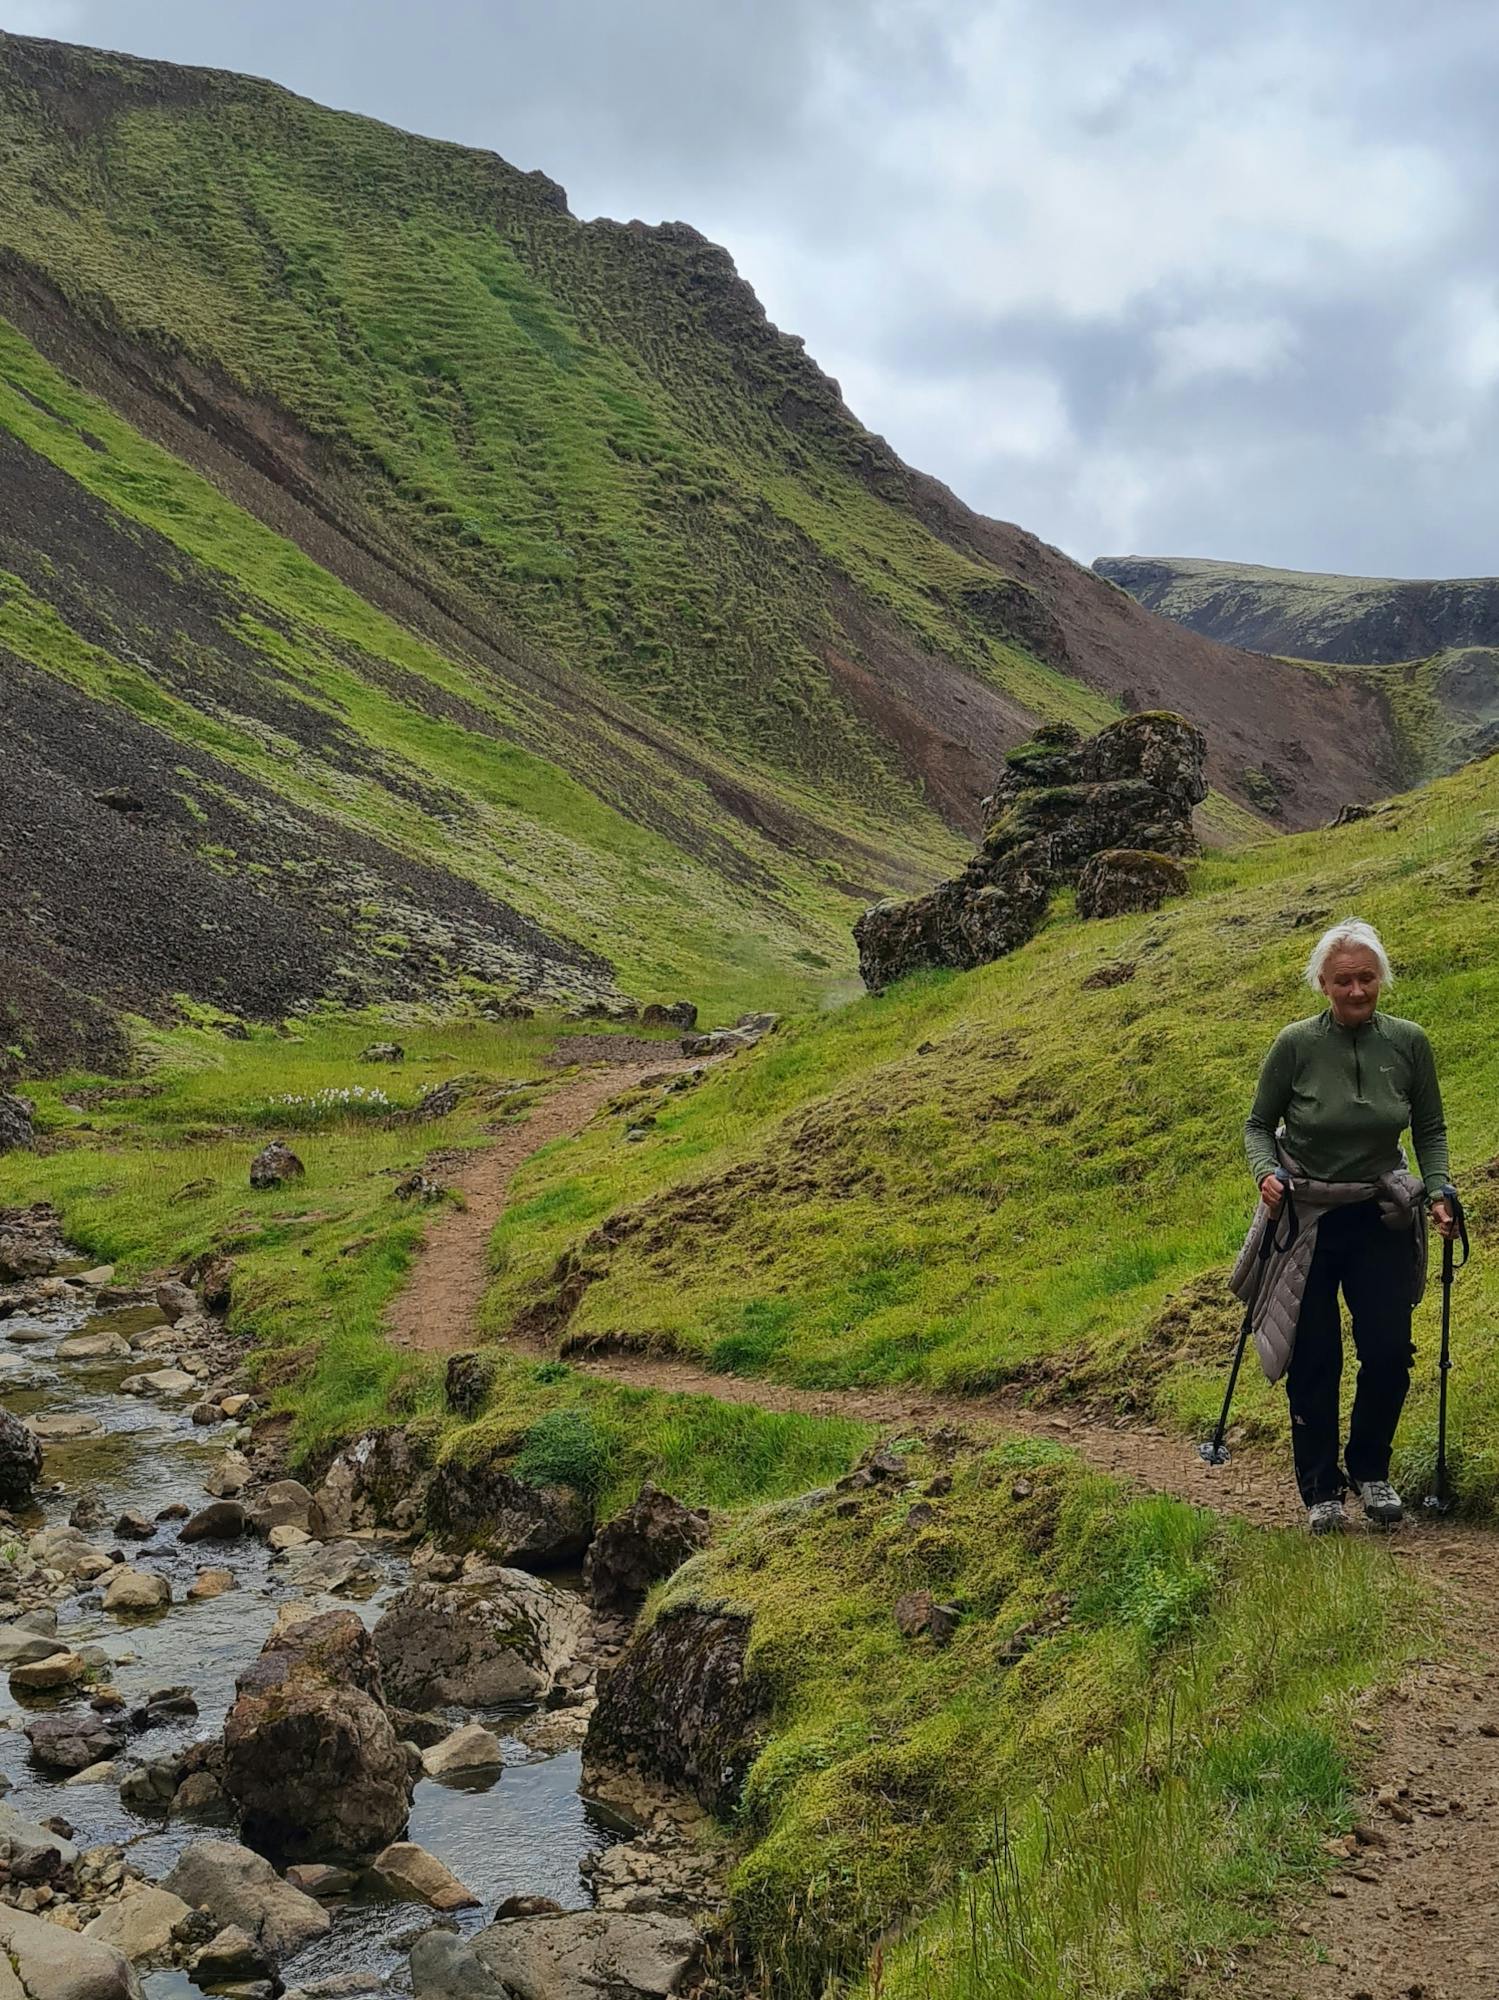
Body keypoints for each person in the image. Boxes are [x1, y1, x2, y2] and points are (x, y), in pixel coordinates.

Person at [1239, 918, 1456, 1533]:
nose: (1356, 991)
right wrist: (1265, 1173)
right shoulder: (1295, 1045)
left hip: (1379, 1214)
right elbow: (1258, 1126)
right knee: (1315, 1357)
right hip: (1306, 1217)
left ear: (1381, 978)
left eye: (1366, 978)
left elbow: (1430, 1129)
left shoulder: (1409, 1043)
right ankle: (1321, 1491)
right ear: (1323, 984)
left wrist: (1439, 1189)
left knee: (1388, 1352)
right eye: (1343, 981)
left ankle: (1370, 1472)